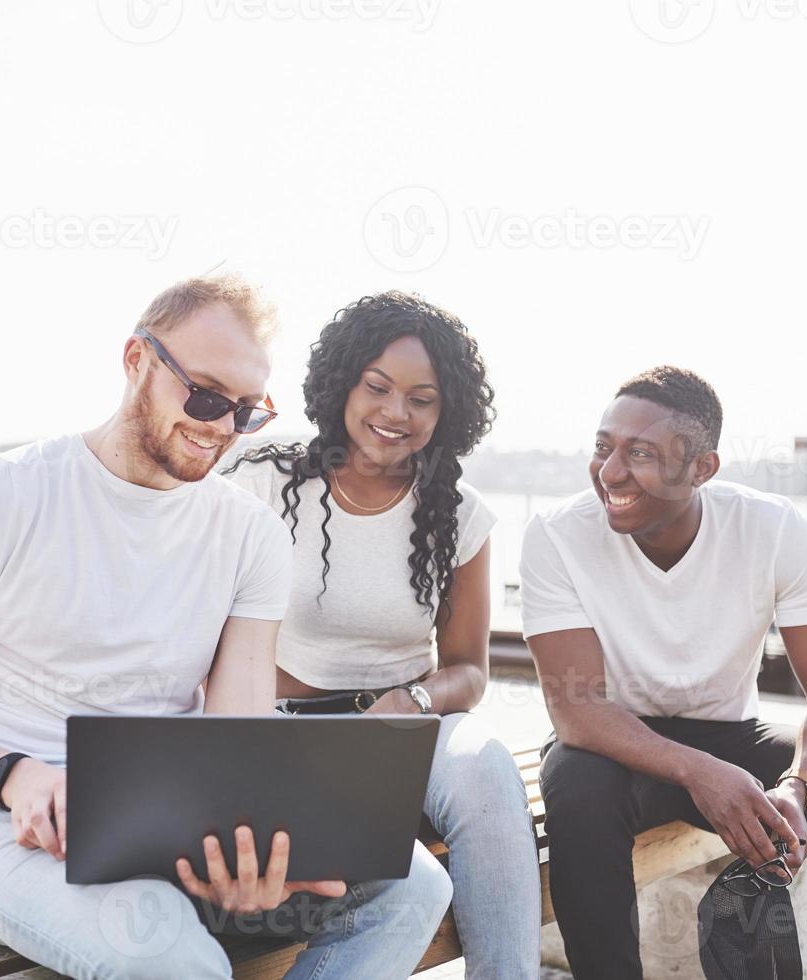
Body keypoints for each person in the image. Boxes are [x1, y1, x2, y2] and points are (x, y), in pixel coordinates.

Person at [0, 273, 453, 979]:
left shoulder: (248, 534)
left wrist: (246, 837)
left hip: (172, 817)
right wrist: (16, 776)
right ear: (136, 360)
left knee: (415, 886)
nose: (221, 426)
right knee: (163, 947)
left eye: (247, 412)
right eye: (204, 395)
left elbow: (240, 735)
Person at [520, 366, 807, 979]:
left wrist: (799, 787)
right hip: (616, 748)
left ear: (702, 468)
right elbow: (578, 711)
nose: (610, 472)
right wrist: (701, 775)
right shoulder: (557, 536)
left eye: (639, 454)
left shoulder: (772, 529)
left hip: (729, 735)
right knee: (575, 784)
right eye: (603, 447)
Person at [228, 291, 542, 980]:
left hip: (401, 730)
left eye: (422, 399)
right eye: (377, 387)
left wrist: (415, 703)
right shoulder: (259, 475)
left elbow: (468, 670)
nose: (396, 413)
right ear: (343, 382)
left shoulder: (459, 515)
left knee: (487, 766)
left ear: (446, 410)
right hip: (279, 726)